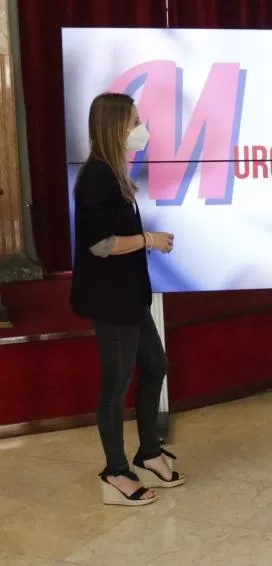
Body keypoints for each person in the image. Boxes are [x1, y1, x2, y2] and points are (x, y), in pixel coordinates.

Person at [71, 93, 184, 506]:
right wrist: (149, 239)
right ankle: (115, 471)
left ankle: (148, 451)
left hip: (131, 295)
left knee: (155, 364)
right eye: (134, 121)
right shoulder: (96, 177)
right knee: (116, 385)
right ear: (115, 126)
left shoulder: (114, 173)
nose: (141, 129)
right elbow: (100, 244)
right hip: (110, 300)